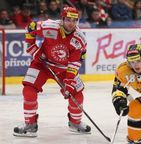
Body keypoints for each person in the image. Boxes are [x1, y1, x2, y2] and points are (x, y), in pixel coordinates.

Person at [13, 7, 90, 137]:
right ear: (62, 19)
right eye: (68, 20)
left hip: (64, 70)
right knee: (29, 90)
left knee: (77, 95)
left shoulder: (79, 39)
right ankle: (30, 124)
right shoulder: (50, 27)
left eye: (74, 20)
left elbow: (74, 63)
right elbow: (30, 28)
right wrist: (33, 48)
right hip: (42, 64)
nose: (71, 23)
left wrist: (70, 82)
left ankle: (75, 123)